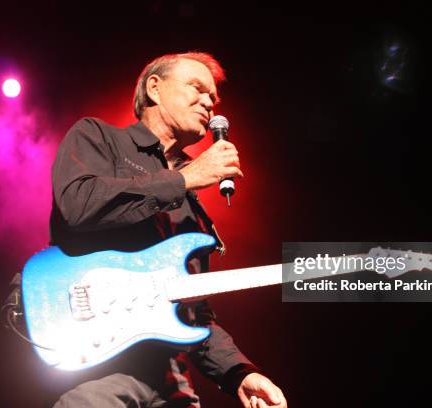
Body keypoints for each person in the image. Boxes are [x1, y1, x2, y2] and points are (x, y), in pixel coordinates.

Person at [49, 52, 287, 408]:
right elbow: (78, 204)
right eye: (197, 88)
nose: (209, 102)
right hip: (96, 368)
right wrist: (183, 179)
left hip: (171, 381)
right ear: (155, 89)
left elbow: (191, 310)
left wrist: (239, 371)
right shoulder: (99, 137)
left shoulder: (195, 211)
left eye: (214, 98)